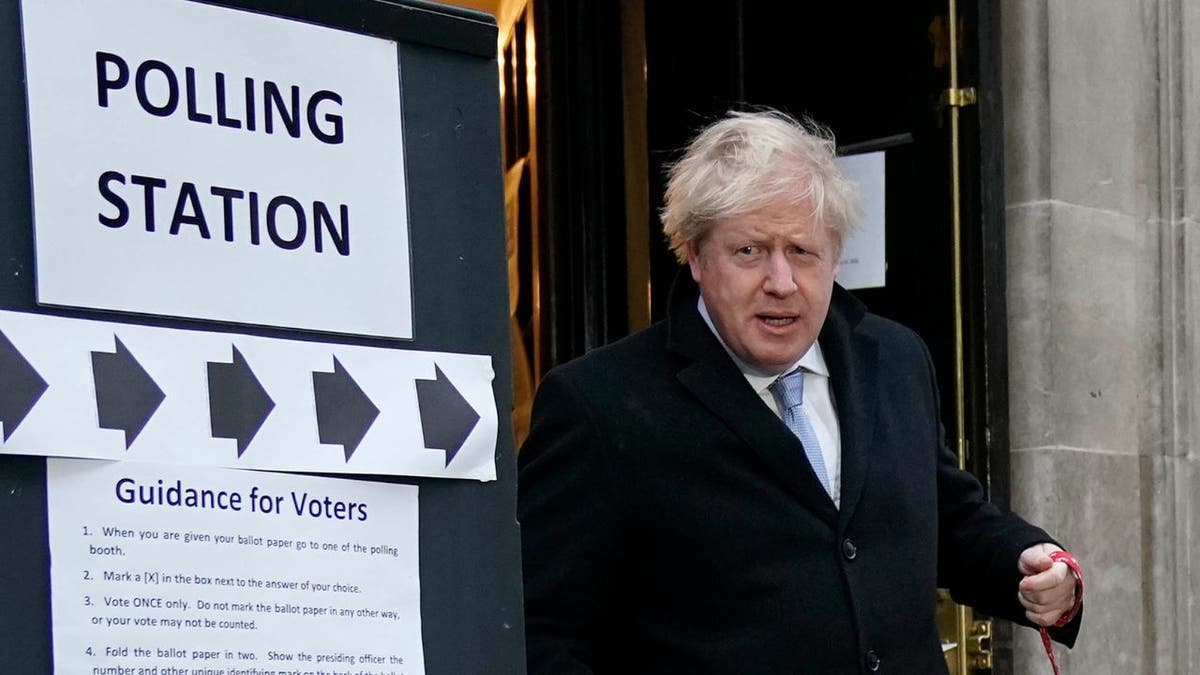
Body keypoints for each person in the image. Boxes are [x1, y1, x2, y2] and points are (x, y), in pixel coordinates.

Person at [517, 109, 1082, 674]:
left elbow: (949, 520)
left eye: (802, 252)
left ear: (835, 256)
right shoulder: (597, 404)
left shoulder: (896, 359)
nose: (781, 283)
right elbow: (540, 633)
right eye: (749, 251)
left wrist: (1031, 566)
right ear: (694, 256)